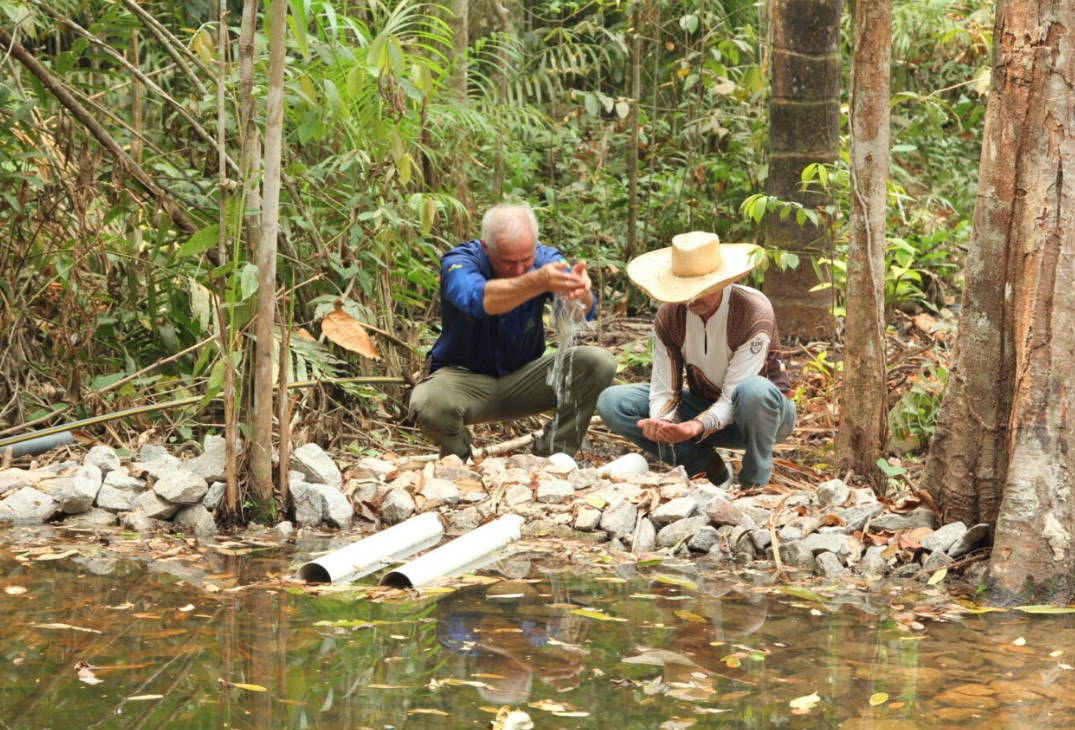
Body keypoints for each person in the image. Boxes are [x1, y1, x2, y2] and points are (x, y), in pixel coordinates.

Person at [409, 203, 616, 460]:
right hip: (463, 381)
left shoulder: (546, 259)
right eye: (508, 262)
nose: (519, 269)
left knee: (598, 362)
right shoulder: (459, 261)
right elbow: (477, 300)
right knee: (428, 402)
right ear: (486, 247)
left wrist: (579, 293)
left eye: (526, 260)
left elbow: (583, 312)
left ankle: (553, 458)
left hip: (524, 379)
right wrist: (535, 281)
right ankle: (459, 459)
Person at [596, 231, 796, 488]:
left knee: (753, 390)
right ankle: (705, 468)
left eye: (701, 290)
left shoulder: (751, 310)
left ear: (722, 282)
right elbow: (663, 389)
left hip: (763, 417)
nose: (691, 299)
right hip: (703, 407)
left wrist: (693, 427)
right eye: (685, 290)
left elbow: (734, 395)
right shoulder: (670, 316)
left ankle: (754, 483)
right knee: (613, 402)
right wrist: (663, 423)